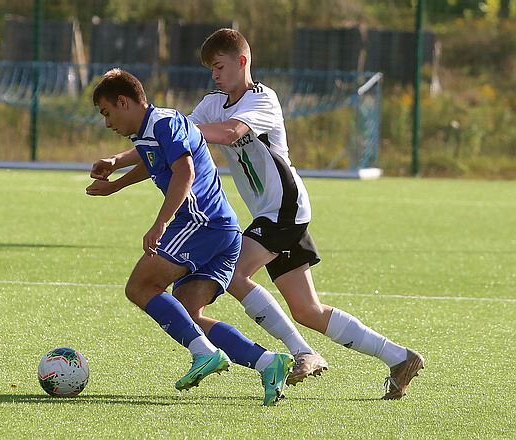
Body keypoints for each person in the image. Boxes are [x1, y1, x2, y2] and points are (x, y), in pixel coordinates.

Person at [186, 28, 425, 399]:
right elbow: (179, 137)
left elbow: (231, 132)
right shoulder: (211, 104)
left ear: (242, 61)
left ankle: (303, 352)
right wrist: (123, 161)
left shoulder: (262, 99)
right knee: (307, 310)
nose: (214, 75)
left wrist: (184, 129)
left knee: (233, 273)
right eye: (211, 69)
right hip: (273, 213)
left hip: (283, 209)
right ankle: (400, 358)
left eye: (219, 66)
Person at [86, 68, 294, 406]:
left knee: (140, 286)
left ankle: (204, 353)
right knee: (187, 313)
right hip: (222, 229)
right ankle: (268, 362)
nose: (107, 123)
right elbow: (155, 162)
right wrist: (116, 181)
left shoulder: (166, 123)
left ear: (124, 102)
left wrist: (160, 224)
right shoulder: (150, 130)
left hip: (202, 222)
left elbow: (185, 170)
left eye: (107, 113)